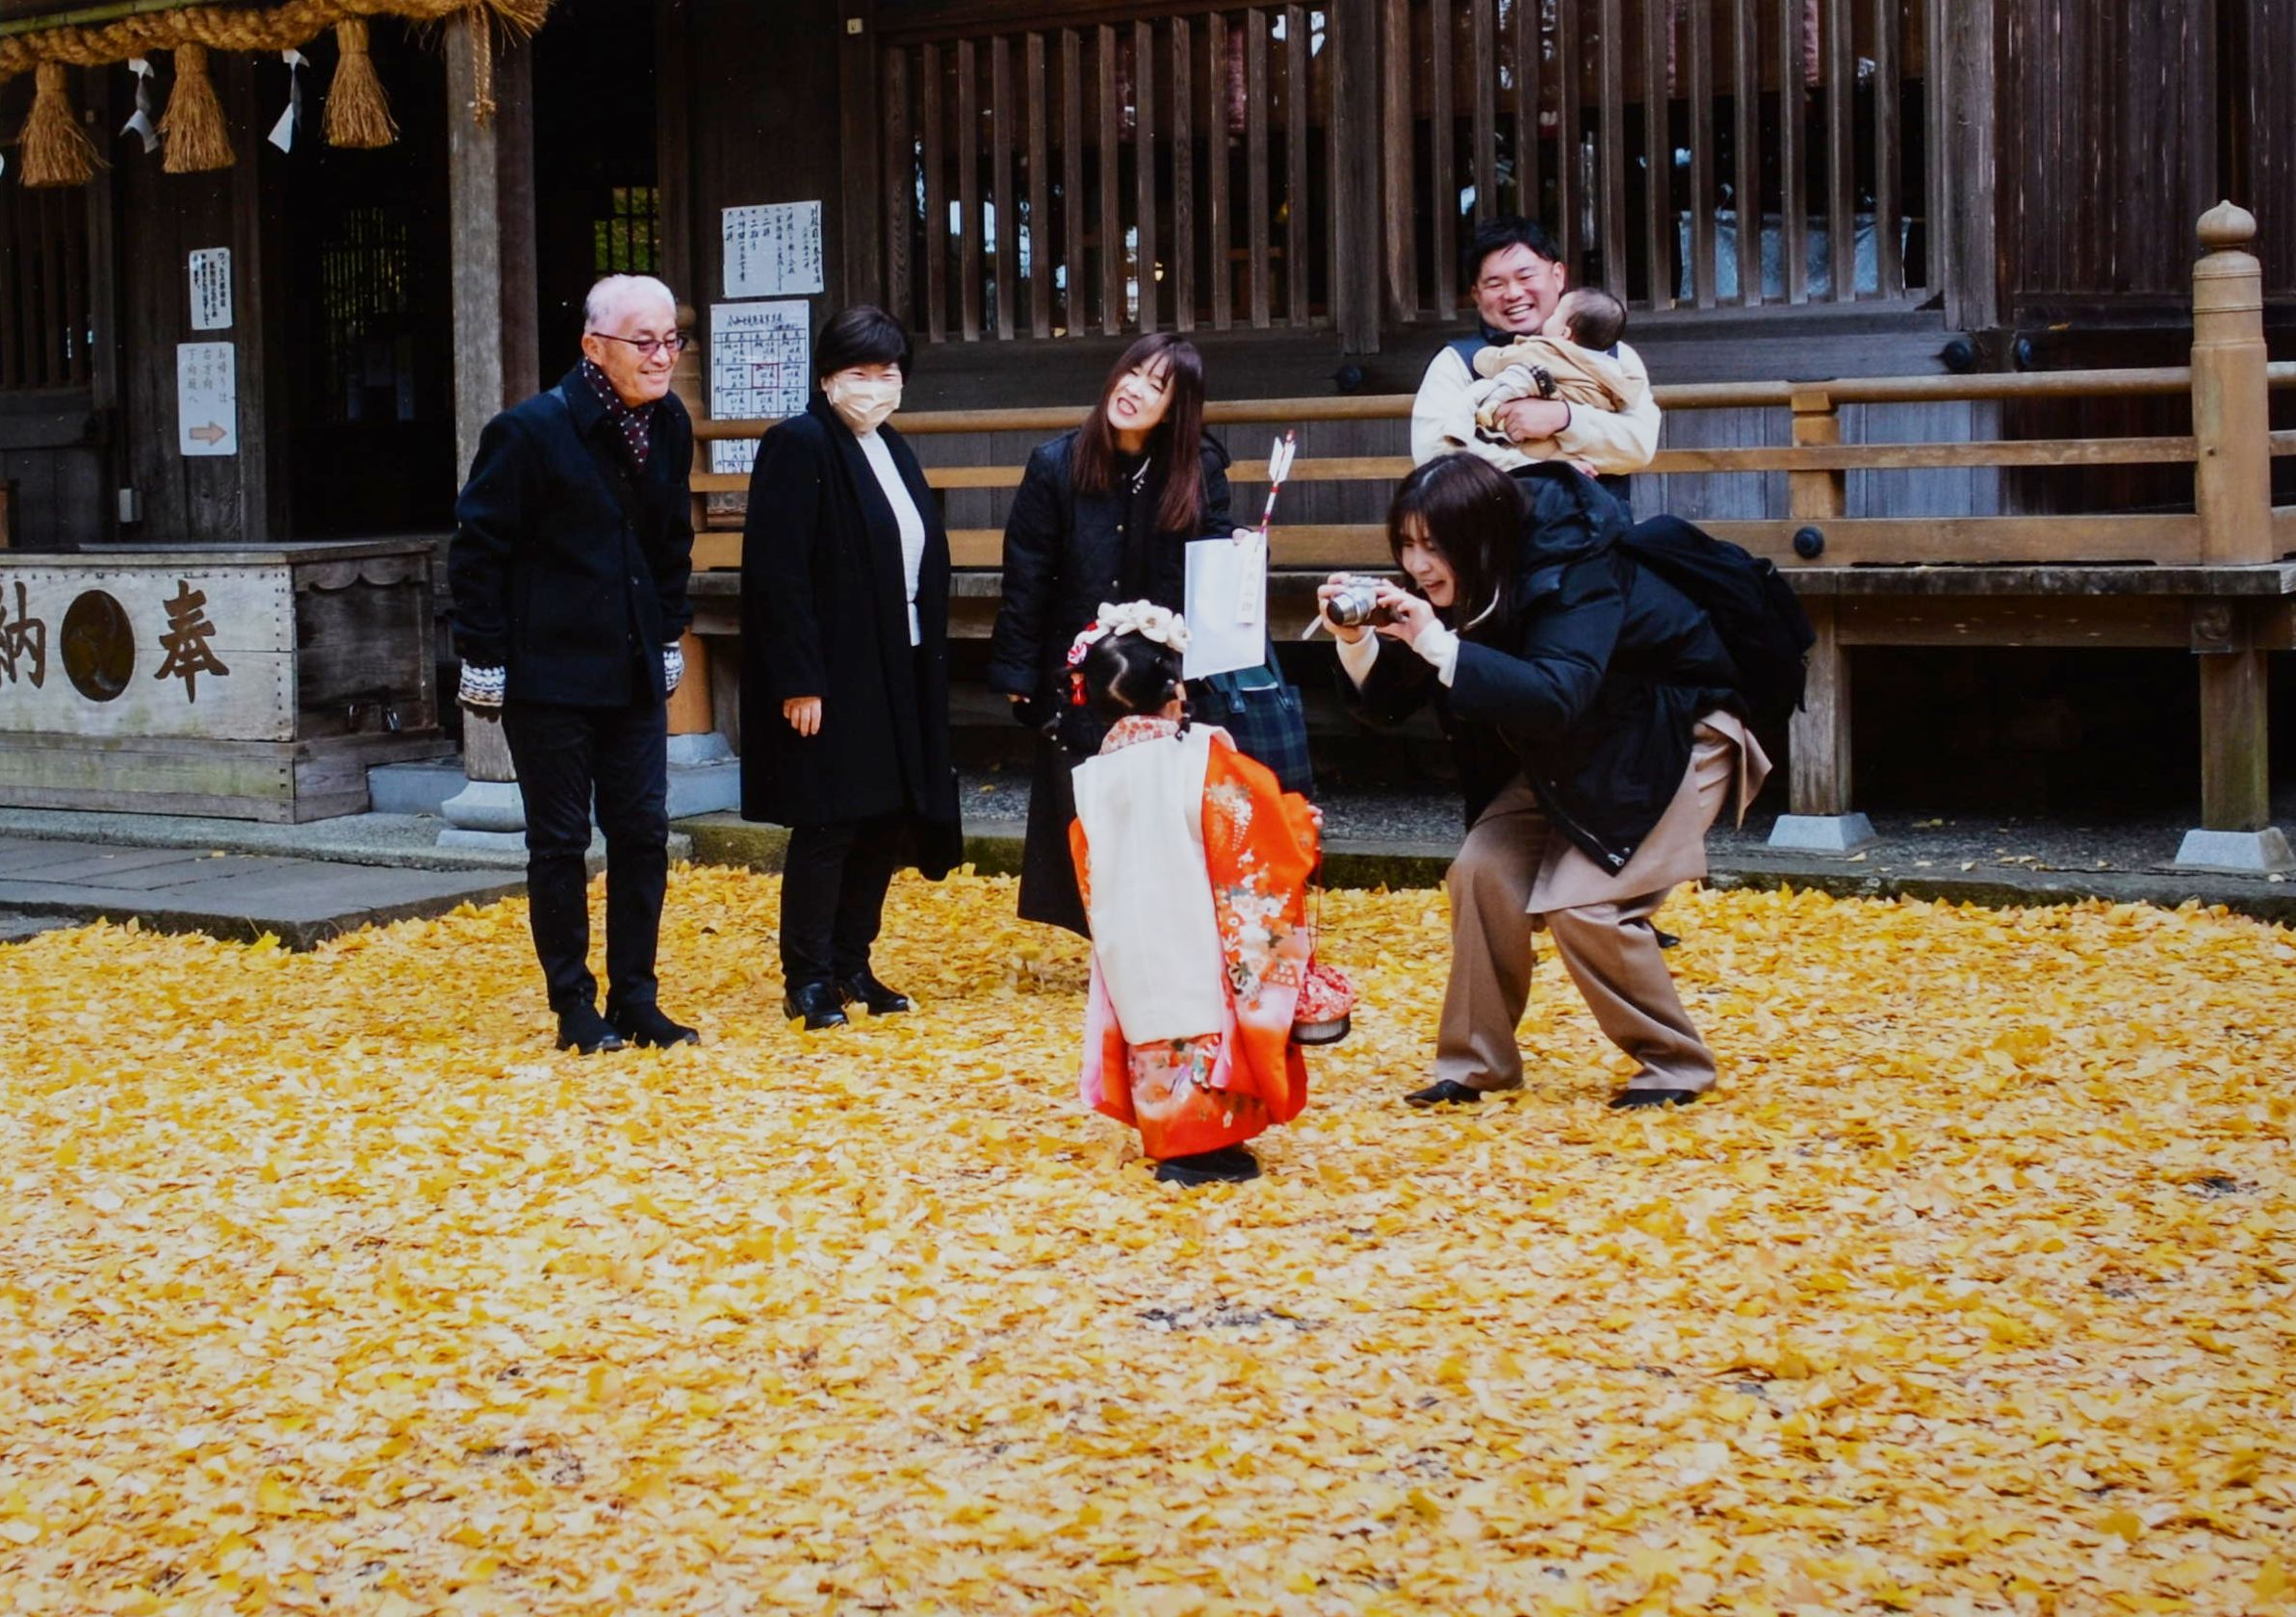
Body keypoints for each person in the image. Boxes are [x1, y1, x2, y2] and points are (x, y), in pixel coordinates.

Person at [1327, 453, 1768, 1110]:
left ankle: (1674, 1064)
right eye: (1407, 545)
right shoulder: (1471, 570)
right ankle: (1476, 1064)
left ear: (1480, 537)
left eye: (1433, 546)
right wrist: (1356, 639)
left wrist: (1434, 642)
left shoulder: (1578, 568)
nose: (1418, 565)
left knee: (1585, 905)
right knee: (1481, 874)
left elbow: (1556, 693)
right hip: (1567, 751)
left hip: (1672, 735)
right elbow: (1393, 702)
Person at [448, 273, 699, 1054]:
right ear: (594, 346)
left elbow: (671, 541)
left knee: (643, 833)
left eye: (671, 341)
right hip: (548, 672)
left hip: (631, 665)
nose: (661, 357)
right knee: (559, 841)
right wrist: (483, 656)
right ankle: (573, 1006)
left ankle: (636, 997)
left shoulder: (669, 422)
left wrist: (668, 634)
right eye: (643, 342)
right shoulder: (528, 431)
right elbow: (478, 551)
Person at [739, 306, 962, 1031]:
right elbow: (777, 573)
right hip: (835, 666)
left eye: (886, 373)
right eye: (857, 373)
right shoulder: (798, 443)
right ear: (827, 377)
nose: (873, 387)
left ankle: (851, 963)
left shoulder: (890, 445)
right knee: (830, 818)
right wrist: (798, 678)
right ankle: (807, 977)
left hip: (902, 655)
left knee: (885, 817)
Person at [987, 333, 1235, 936]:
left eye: (1157, 386)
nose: (1135, 390)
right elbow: (1026, 573)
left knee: (1161, 808)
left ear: (1175, 408)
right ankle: (1107, 942)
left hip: (1162, 666)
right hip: (1079, 665)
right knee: (1087, 803)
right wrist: (1018, 671)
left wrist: (1241, 556)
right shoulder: (1056, 463)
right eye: (1133, 373)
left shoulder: (1198, 466)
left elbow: (1212, 559)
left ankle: (1158, 938)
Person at [1066, 603, 1319, 1185]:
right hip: (1196, 929)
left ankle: (1170, 1134)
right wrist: (1297, 825)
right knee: (1204, 1019)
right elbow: (1253, 832)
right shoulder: (1202, 759)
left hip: (1132, 934)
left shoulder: (1094, 777)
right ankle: (1200, 1148)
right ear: (1175, 693)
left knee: (1149, 1020)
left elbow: (1086, 854)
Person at [1409, 217, 1661, 479]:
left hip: (1594, 507)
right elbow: (1435, 453)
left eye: (1526, 276)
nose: (1513, 293)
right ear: (1477, 296)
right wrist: (1535, 466)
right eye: (1495, 284)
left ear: (1558, 276)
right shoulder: (1457, 361)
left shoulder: (1613, 355)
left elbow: (1640, 444)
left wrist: (1564, 418)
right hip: (1499, 507)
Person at [1467, 288, 1640, 444]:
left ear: (1564, 333)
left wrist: (1482, 356)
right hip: (1579, 438)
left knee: (1510, 378)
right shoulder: (1612, 370)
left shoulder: (1549, 351)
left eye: (1554, 315)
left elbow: (1504, 360)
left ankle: (1481, 412)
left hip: (1537, 414)